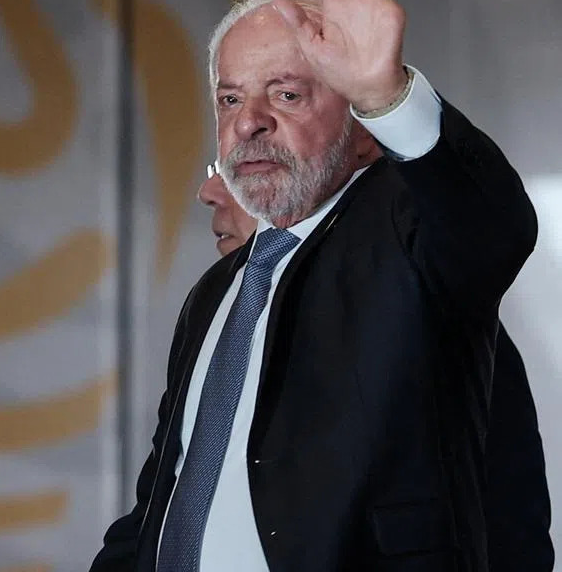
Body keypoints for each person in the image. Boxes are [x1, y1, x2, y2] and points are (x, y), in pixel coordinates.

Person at [90, 0, 538, 570]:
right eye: (230, 99)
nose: (249, 123)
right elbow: (166, 492)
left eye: (287, 95)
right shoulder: (217, 292)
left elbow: (490, 226)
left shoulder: (404, 240)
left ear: (362, 128)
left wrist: (389, 96)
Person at [197, 166, 553, 570]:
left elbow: (509, 522)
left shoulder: (432, 319)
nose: (208, 192)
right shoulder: (214, 320)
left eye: (238, 171)